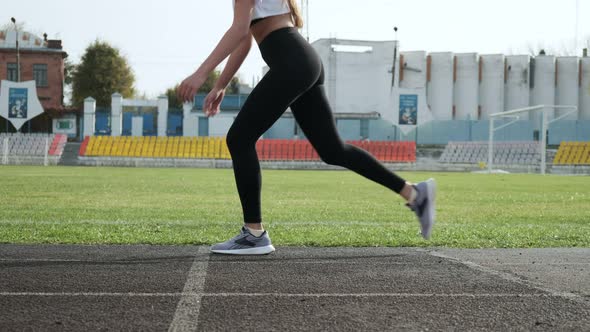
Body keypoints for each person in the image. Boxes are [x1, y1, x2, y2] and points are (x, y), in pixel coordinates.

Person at [178, 0, 436, 255]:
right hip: (301, 59)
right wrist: (220, 84)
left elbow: (240, 31)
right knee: (333, 150)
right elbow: (244, 38)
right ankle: (414, 193)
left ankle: (254, 233)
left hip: (292, 60)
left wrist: (201, 74)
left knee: (239, 139)